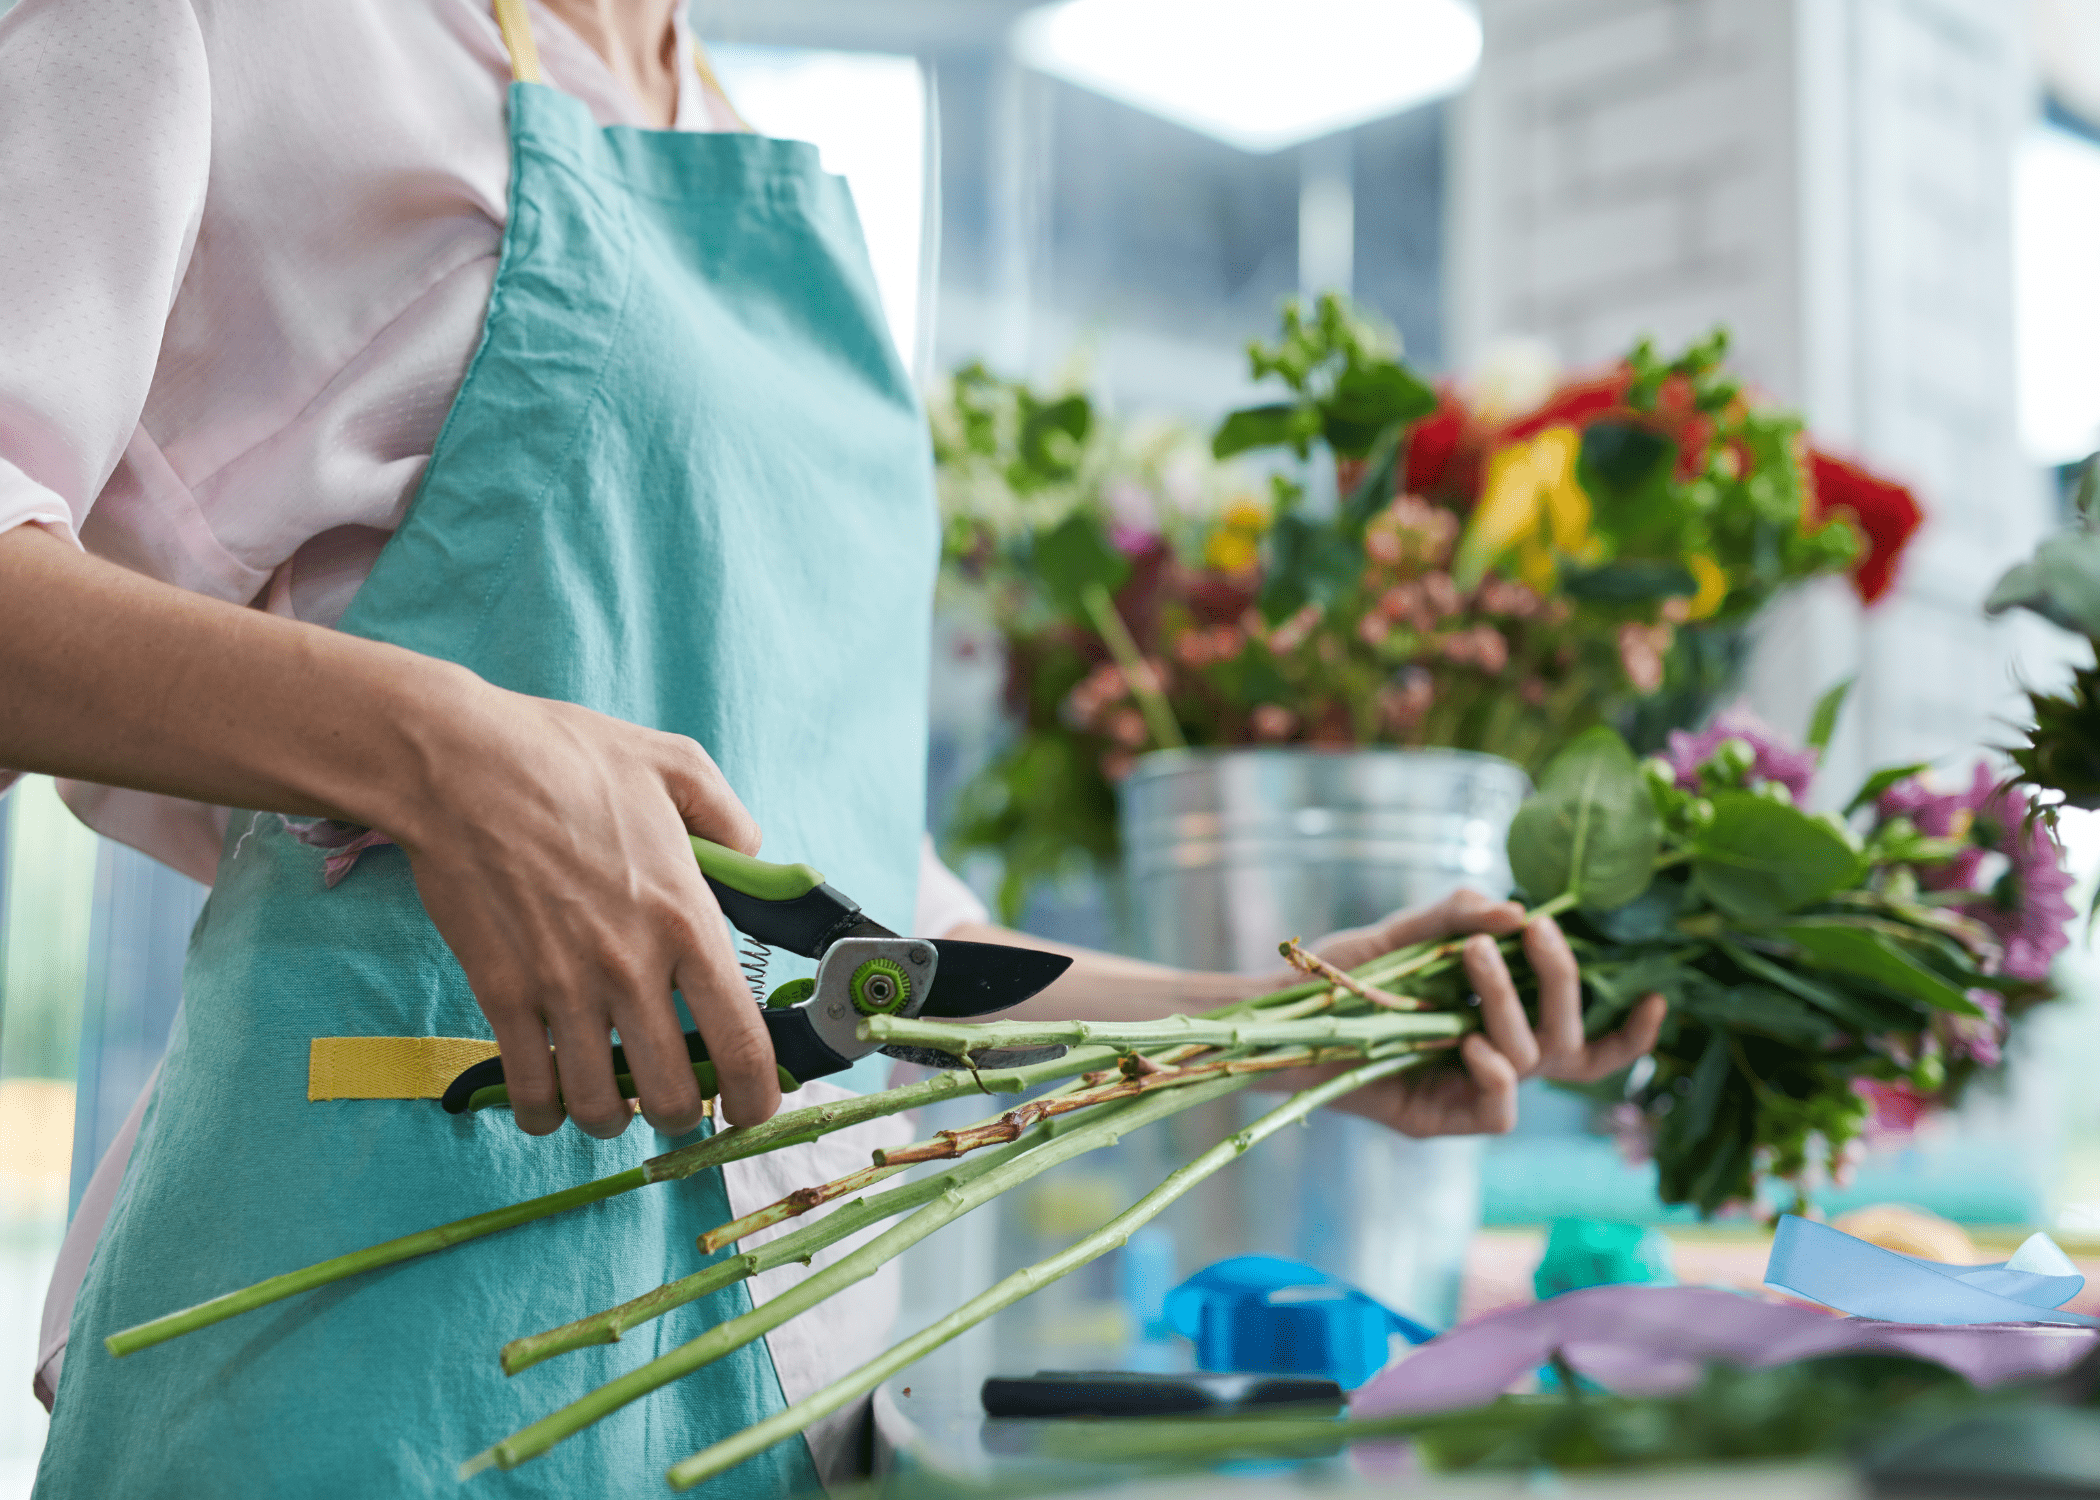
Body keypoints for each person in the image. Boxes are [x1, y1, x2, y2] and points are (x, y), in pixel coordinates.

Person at [0, 0, 1667, 1493]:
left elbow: (862, 931)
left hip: (771, 1386)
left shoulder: (736, 132)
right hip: (364, 1349)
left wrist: (1283, 1026)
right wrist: (440, 743)